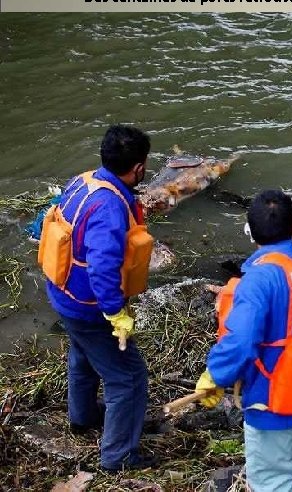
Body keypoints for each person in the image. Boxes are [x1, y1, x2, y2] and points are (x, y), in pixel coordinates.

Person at [195, 189, 292, 492]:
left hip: (277, 396)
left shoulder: (258, 279)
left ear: (251, 234)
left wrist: (215, 374)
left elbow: (240, 342)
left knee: (271, 481)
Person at [39, 124, 155, 471]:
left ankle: (83, 417)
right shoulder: (108, 207)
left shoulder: (84, 180)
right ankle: (118, 458)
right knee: (128, 378)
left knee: (83, 355)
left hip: (62, 294)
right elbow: (103, 268)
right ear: (138, 168)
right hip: (88, 307)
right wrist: (116, 313)